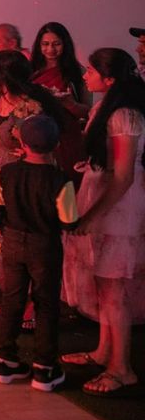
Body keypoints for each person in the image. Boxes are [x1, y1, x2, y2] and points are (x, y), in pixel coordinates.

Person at [61, 48, 145, 397]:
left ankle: (122, 368)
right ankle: (103, 351)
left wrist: (92, 215)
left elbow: (123, 176)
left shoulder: (125, 115)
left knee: (114, 289)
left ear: (109, 79)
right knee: (103, 284)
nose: (85, 76)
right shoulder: (106, 108)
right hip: (102, 198)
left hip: (117, 208)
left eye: (90, 71)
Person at [0, 51, 67, 292]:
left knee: (14, 236)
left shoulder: (29, 108)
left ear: (3, 75)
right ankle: (9, 296)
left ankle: (23, 299)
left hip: (20, 178)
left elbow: (39, 148)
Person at [0, 114, 77, 392]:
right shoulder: (60, 180)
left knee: (11, 299)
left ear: (22, 144)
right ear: (56, 145)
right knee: (46, 304)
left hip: (12, 241)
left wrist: (9, 230)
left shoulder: (7, 173)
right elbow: (69, 221)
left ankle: (5, 360)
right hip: (45, 245)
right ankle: (44, 368)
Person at [29, 21, 90, 118]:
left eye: (57, 44)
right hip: (34, 124)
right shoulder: (30, 70)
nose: (50, 49)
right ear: (39, 46)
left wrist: (71, 105)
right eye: (45, 44)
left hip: (64, 124)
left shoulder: (78, 72)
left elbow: (88, 112)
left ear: (65, 45)